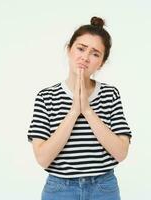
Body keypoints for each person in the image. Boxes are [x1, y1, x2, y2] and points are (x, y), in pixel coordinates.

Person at [27, 16, 132, 200]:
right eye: (81, 48)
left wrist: (88, 111)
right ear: (69, 49)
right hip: (60, 188)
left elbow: (121, 152)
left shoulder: (110, 94)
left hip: (103, 187)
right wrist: (75, 111)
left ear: (101, 63)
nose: (85, 57)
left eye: (95, 53)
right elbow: (43, 158)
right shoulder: (46, 97)